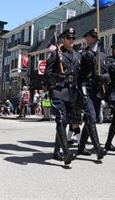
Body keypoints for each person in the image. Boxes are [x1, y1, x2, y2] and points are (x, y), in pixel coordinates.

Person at [45, 28, 79, 165]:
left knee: (64, 123)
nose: (71, 40)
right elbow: (47, 74)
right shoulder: (56, 54)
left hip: (71, 93)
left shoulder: (76, 55)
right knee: (60, 120)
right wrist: (58, 76)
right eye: (68, 38)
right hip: (59, 91)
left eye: (73, 38)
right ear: (63, 39)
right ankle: (66, 153)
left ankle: (56, 152)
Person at [76, 28, 107, 160]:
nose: (87, 39)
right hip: (86, 89)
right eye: (88, 36)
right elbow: (78, 72)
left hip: (97, 90)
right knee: (91, 116)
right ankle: (98, 148)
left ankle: (81, 147)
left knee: (90, 119)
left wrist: (104, 78)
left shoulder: (102, 55)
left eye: (89, 37)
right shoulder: (83, 53)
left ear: (93, 38)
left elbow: (107, 73)